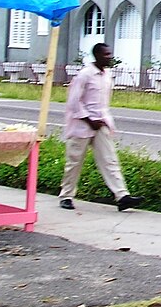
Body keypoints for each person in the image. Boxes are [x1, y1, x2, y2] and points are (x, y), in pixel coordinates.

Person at [59, 43, 145, 212]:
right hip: (82, 124)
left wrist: (101, 121)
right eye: (106, 54)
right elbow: (74, 101)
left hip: (101, 123)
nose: (109, 57)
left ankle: (122, 196)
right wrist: (88, 120)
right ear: (97, 55)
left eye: (110, 54)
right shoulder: (85, 75)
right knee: (74, 161)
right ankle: (66, 196)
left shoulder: (107, 75)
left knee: (110, 160)